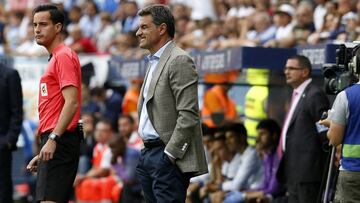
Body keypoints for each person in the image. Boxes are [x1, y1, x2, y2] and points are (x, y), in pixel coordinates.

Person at [135, 4, 208, 203]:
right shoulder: (153, 61)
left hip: (165, 155)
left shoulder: (179, 60)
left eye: (144, 27)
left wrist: (170, 154)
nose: (137, 32)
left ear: (162, 28)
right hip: (148, 153)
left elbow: (189, 114)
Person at [26, 4, 82, 203]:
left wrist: (53, 139)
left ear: (58, 27)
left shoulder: (64, 56)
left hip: (61, 139)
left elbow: (72, 103)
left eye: (43, 24)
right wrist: (45, 147)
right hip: (55, 140)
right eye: (34, 25)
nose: (37, 30)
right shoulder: (56, 58)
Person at [277, 55, 329, 203]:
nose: (287, 71)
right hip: (294, 171)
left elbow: (324, 129)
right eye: (286, 68)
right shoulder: (297, 94)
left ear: (305, 72)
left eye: (292, 68)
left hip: (308, 172)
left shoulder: (314, 94)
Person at [319, 54, 360, 202]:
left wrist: (332, 123)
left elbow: (335, 140)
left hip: (353, 172)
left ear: (355, 66)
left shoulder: (346, 96)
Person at [0, 63, 23, 203]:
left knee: (3, 187)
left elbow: (17, 111)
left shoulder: (10, 74)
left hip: (2, 143)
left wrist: (9, 140)